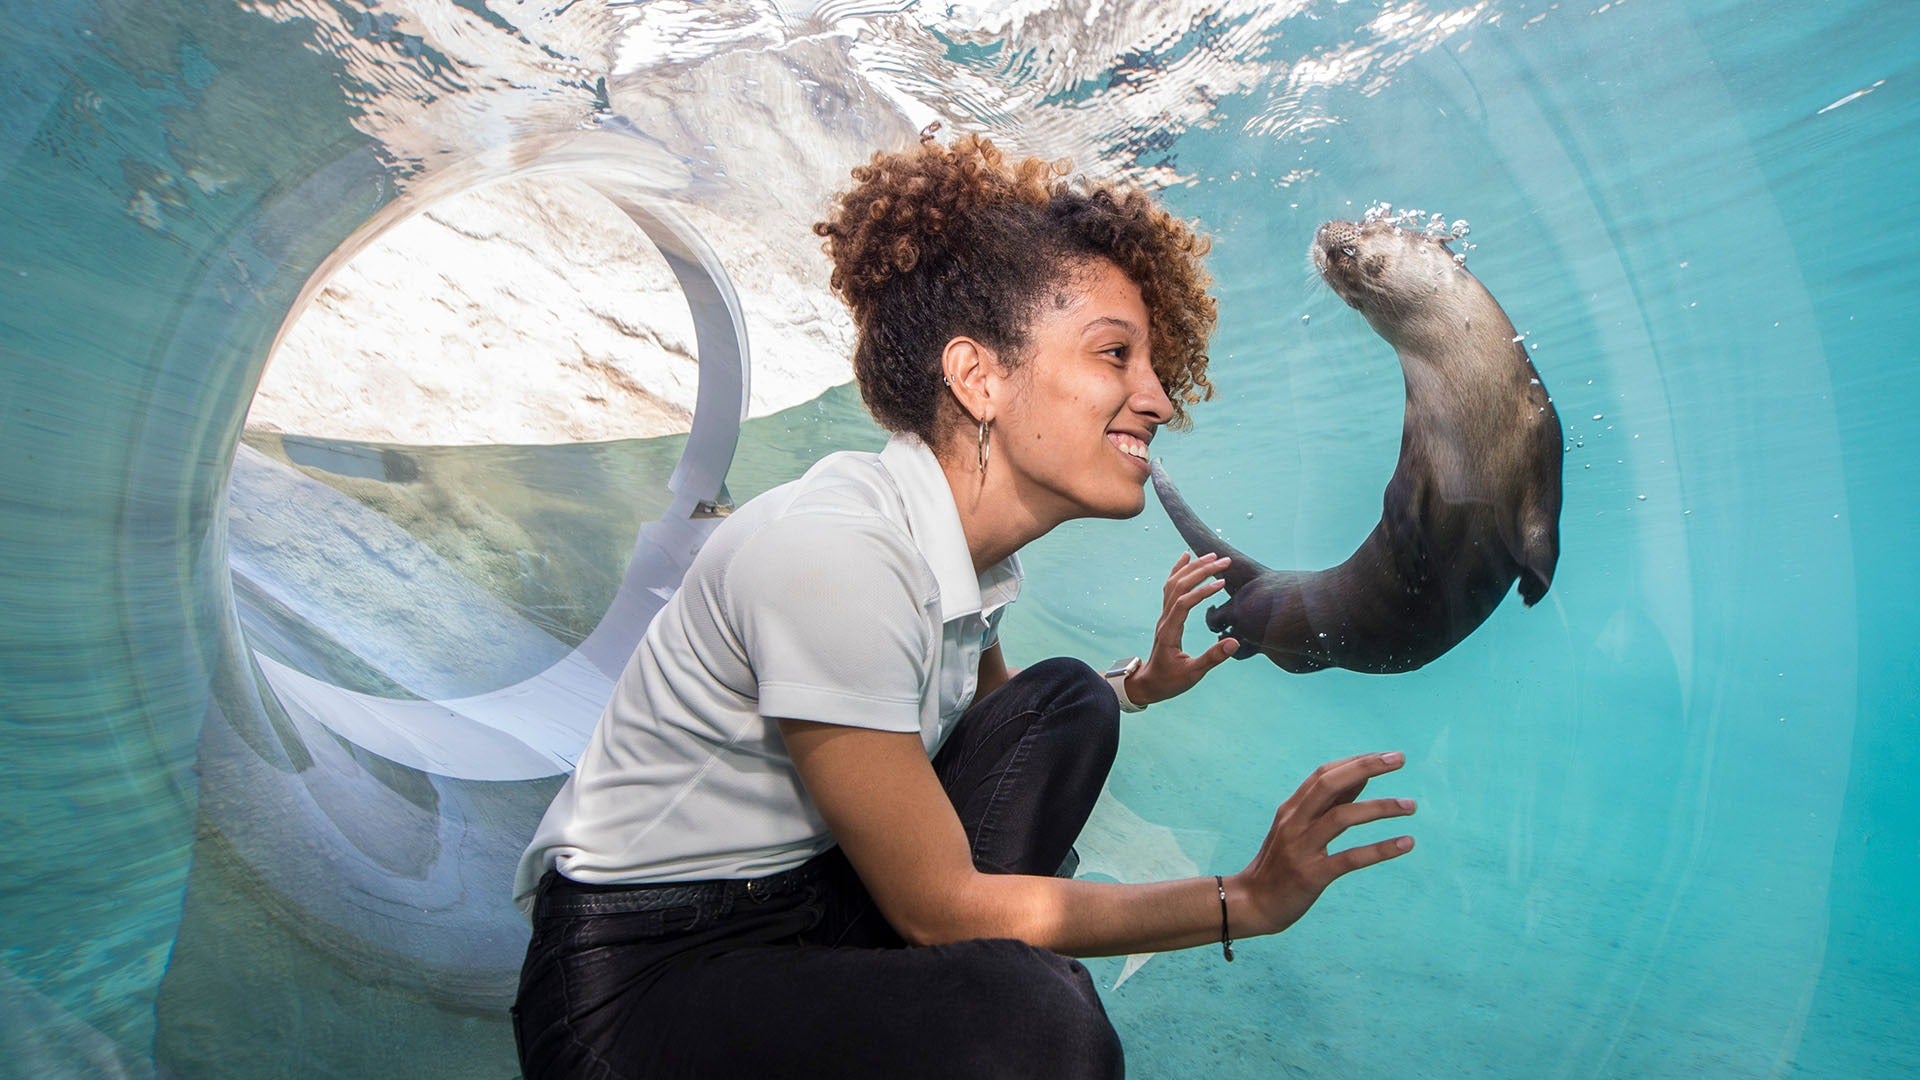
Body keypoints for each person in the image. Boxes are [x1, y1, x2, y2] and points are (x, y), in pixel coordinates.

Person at [510, 132, 1415, 1079]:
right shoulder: (839, 552)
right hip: (636, 987)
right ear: (978, 378)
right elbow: (936, 905)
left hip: (807, 900)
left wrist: (1136, 685)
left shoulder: (961, 560)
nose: (1157, 399)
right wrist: (1243, 899)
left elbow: (983, 722)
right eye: (1116, 354)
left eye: (1153, 364)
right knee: (1042, 1030)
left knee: (1069, 702)